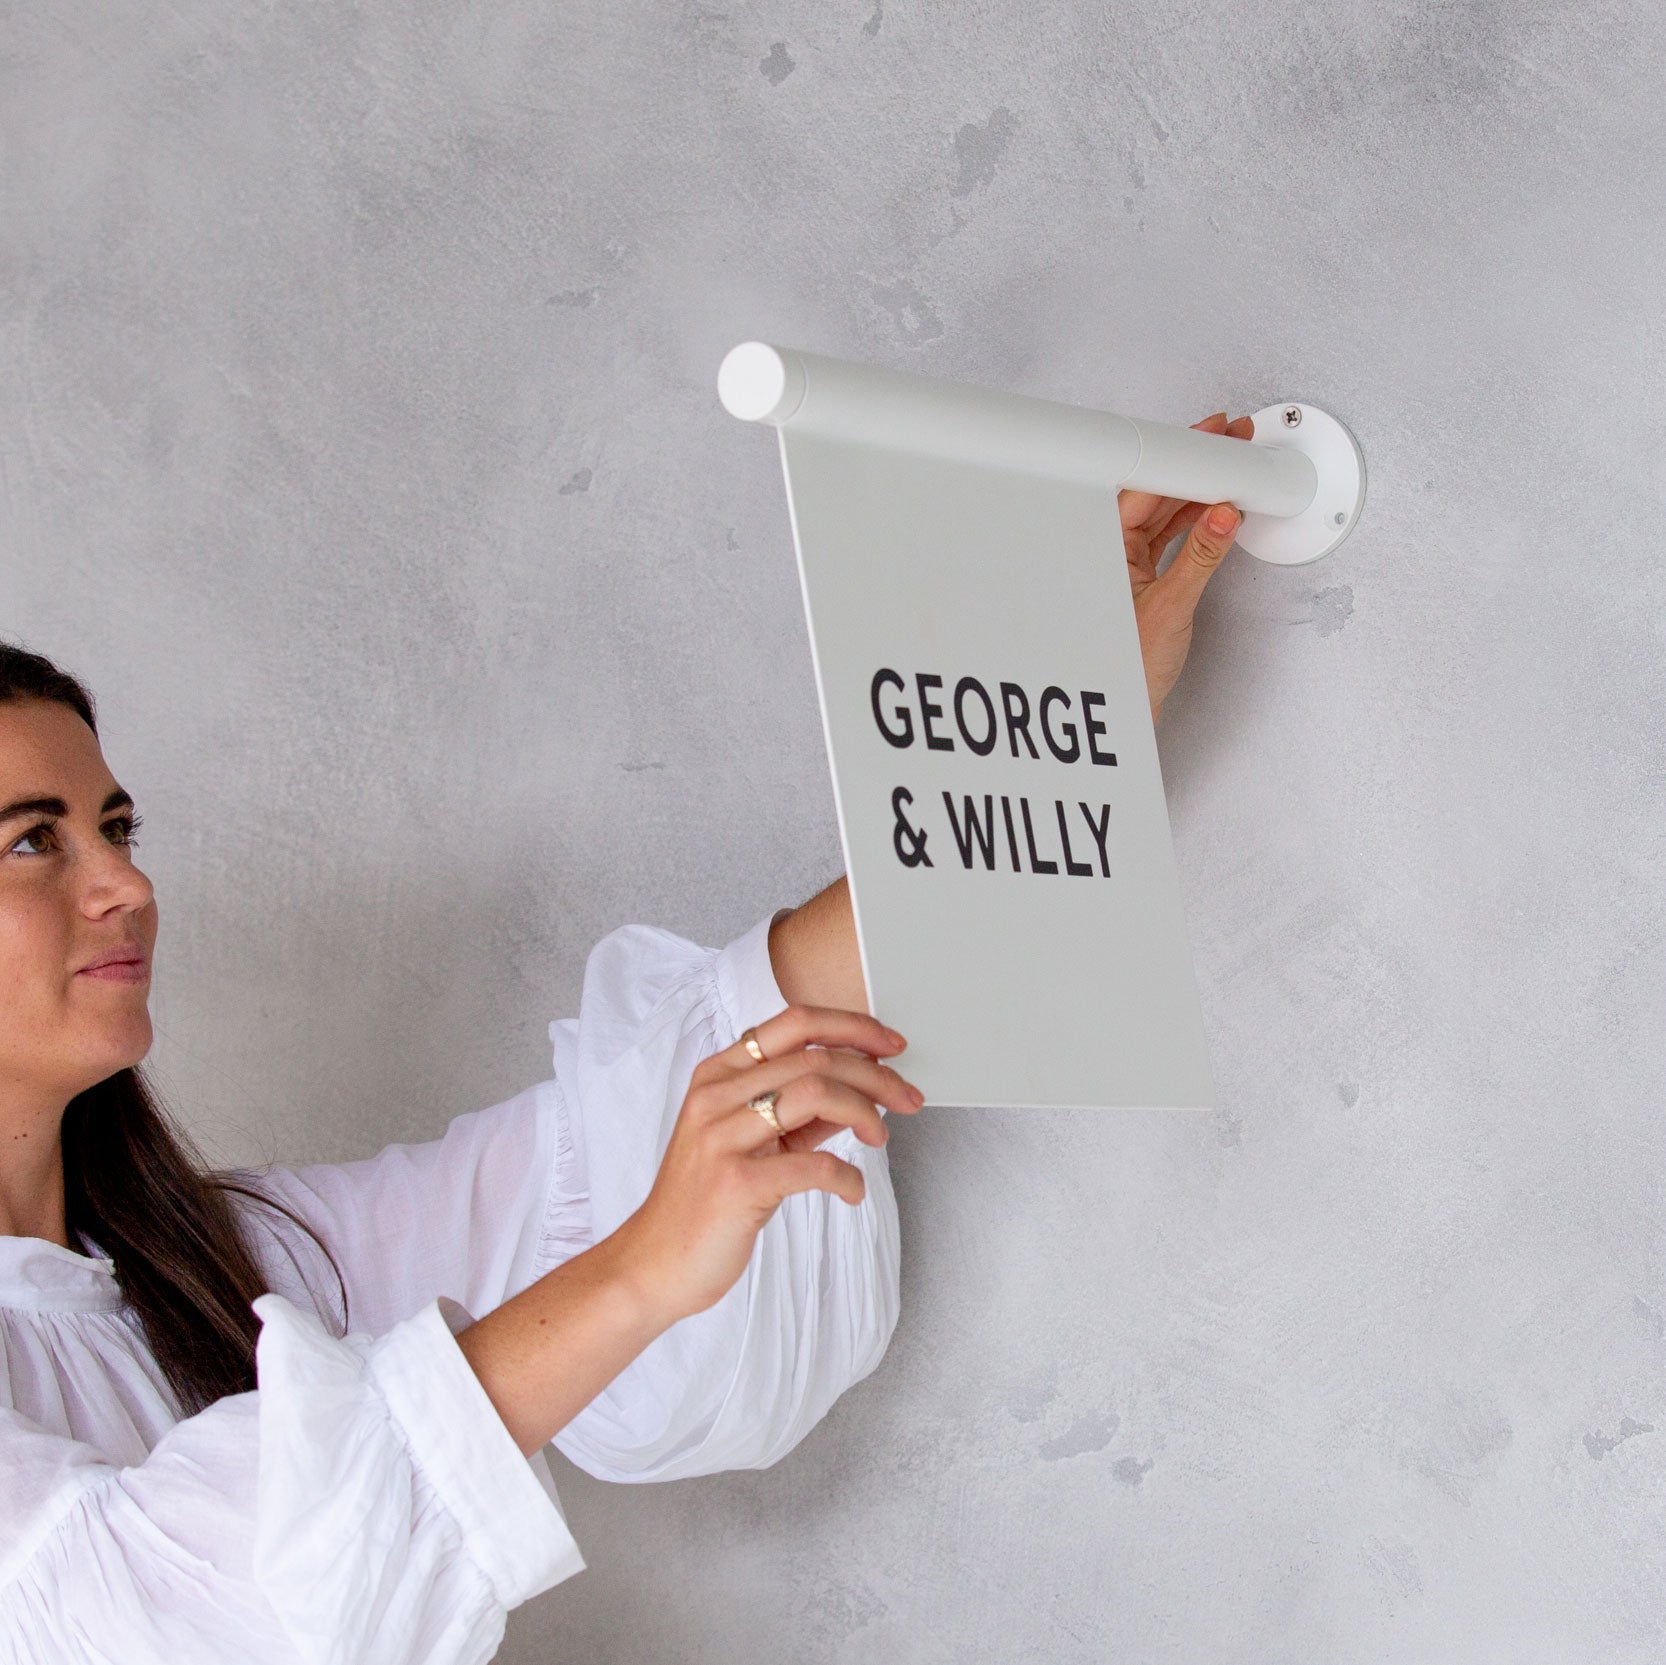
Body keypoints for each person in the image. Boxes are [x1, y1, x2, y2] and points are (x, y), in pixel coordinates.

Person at [0, 412, 1249, 1664]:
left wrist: (1047, 729)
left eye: (118, 828)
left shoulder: (233, 1262)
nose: (125, 885)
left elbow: (624, 1136)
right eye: (32, 841)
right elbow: (147, 1613)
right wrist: (643, 1267)